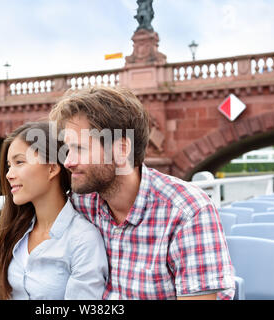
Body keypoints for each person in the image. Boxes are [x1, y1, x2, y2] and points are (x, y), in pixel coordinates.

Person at [49, 86, 235, 300]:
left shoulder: (187, 211)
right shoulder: (82, 202)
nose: (68, 162)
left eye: (80, 148)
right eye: (67, 149)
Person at [0, 121, 108, 300]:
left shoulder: (83, 240)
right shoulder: (12, 231)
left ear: (52, 168)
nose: (9, 174)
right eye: (9, 165)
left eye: (19, 162)